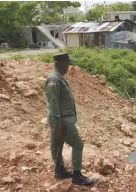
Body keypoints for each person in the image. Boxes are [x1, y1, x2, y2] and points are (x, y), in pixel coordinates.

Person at [45, 52, 94, 186]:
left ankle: (60, 171)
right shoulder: (53, 80)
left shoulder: (58, 77)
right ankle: (77, 176)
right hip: (62, 120)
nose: (68, 66)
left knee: (57, 144)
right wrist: (57, 123)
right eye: (67, 63)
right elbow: (53, 102)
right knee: (78, 144)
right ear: (59, 64)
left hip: (60, 119)